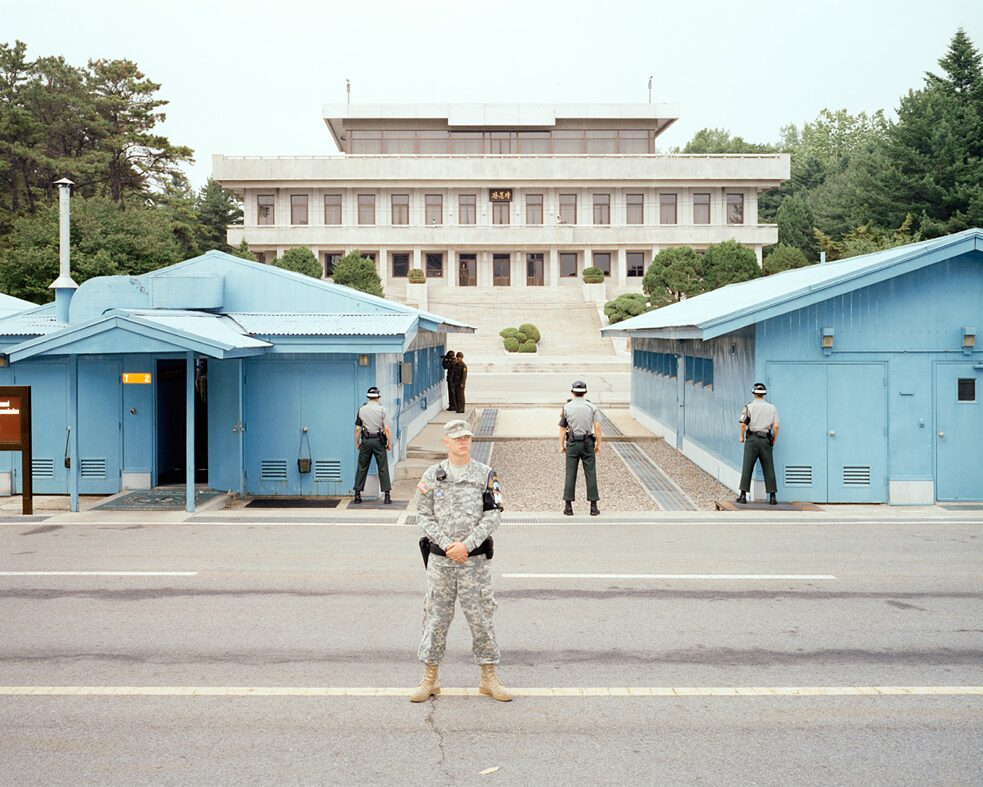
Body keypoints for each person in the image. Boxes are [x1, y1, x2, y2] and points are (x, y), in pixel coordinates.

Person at [410, 419, 511, 703]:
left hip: (474, 564)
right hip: (441, 562)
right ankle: (430, 679)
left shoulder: (486, 474)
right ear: (446, 442)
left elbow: (493, 515)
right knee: (435, 619)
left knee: (481, 619)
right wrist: (446, 544)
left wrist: (466, 545)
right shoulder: (432, 475)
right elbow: (423, 514)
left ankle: (488, 678)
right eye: (457, 438)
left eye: (466, 437)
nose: (462, 442)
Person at [559, 380, 602, 516]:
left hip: (572, 443)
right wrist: (599, 444)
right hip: (587, 442)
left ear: (572, 392)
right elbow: (597, 428)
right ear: (585, 392)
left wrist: (561, 444)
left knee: (570, 473)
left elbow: (562, 427)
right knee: (591, 473)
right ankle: (593, 507)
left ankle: (568, 506)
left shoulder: (566, 407)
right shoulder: (592, 407)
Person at [737, 382, 780, 505]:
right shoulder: (772, 408)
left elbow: (743, 424)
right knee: (769, 467)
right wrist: (774, 439)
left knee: (747, 466)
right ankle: (772, 496)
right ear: (764, 394)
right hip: (765, 439)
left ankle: (743, 495)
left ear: (754, 393)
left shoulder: (749, 407)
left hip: (752, 439)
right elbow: (776, 426)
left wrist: (741, 436)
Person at [352, 386, 392, 505]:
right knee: (383, 467)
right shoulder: (383, 410)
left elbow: (358, 429)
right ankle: (387, 496)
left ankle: (357, 495)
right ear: (378, 397)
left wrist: (357, 443)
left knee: (362, 467)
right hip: (379, 441)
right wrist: (389, 443)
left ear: (368, 397)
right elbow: (387, 429)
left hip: (366, 441)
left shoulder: (361, 410)